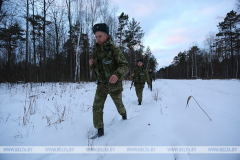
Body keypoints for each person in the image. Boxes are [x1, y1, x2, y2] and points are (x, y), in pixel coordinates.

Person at [89, 23, 129, 138]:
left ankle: (124, 114)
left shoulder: (114, 50)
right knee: (97, 106)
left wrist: (117, 75)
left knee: (119, 104)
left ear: (106, 36)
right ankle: (100, 130)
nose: (98, 39)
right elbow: (97, 69)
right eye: (96, 37)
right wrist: (92, 65)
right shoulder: (95, 51)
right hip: (101, 85)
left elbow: (125, 66)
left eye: (100, 36)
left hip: (114, 85)